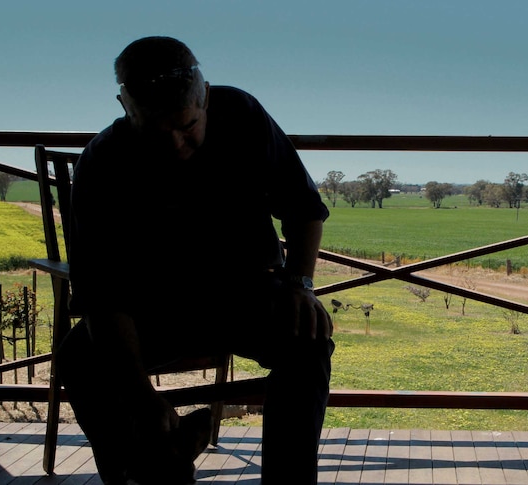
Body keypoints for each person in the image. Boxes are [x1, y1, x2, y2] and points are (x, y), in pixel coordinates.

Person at [55, 36, 334, 485]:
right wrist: (140, 393)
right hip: (149, 309)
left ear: (205, 95)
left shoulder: (242, 113)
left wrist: (300, 284)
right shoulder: (103, 160)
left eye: (187, 126)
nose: (176, 143)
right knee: (79, 359)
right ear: (126, 107)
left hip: (244, 292)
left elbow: (303, 209)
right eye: (157, 131)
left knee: (309, 340)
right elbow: (103, 295)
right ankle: (142, 472)